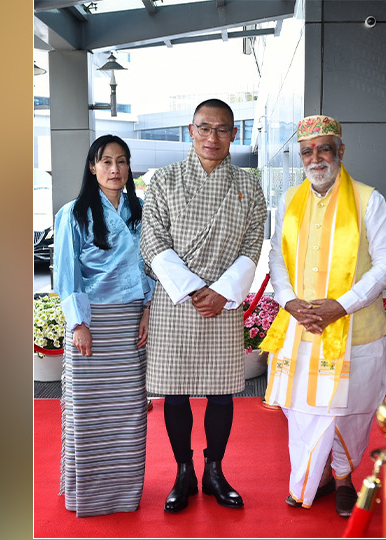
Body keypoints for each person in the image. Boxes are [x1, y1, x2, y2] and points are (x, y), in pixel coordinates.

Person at [262, 115, 386, 517]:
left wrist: (343, 304)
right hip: (301, 328)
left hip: (356, 328)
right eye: (307, 151)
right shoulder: (289, 200)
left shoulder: (367, 199)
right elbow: (276, 257)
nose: (315, 158)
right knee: (303, 411)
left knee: (349, 409)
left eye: (324, 149)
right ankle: (311, 476)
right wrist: (289, 301)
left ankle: (341, 477)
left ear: (341, 151)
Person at [140, 99, 266, 512]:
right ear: (191, 131)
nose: (213, 137)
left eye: (222, 129)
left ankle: (215, 471)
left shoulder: (249, 184)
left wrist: (223, 292)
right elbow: (152, 241)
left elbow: (252, 245)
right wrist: (196, 289)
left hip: (223, 304)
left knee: (222, 394)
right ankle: (183, 472)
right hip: (178, 302)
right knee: (174, 395)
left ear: (234, 134)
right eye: (204, 128)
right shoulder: (164, 180)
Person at [52, 135, 152, 517]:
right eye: (106, 161)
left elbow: (151, 265)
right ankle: (89, 493)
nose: (114, 169)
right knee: (89, 410)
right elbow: (66, 273)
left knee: (128, 411)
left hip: (130, 322)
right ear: (92, 167)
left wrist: (147, 310)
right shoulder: (73, 213)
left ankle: (124, 492)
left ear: (129, 169)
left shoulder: (140, 211)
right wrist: (78, 323)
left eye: (122, 161)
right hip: (92, 321)